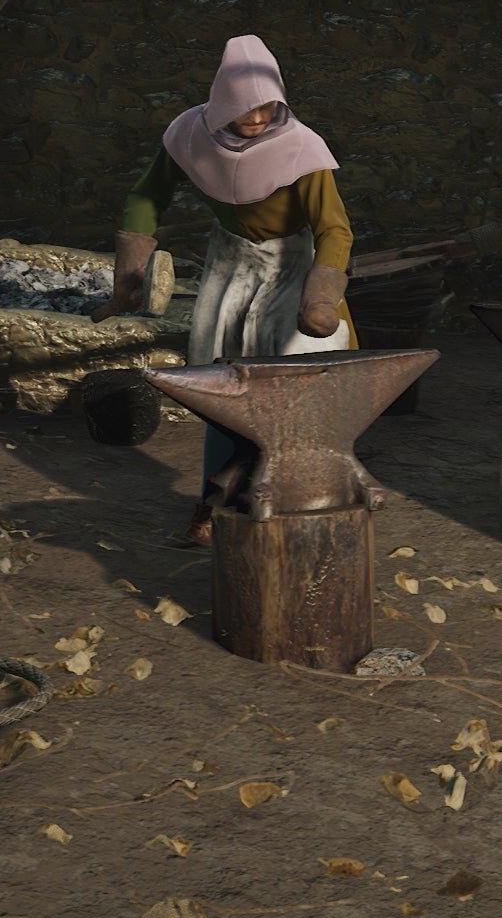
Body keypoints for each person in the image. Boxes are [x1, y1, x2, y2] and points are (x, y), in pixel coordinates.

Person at [108, 34, 357, 544]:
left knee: (295, 388)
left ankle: (290, 506)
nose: (260, 119)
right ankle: (213, 505)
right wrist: (130, 273)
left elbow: (335, 229)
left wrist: (319, 298)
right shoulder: (190, 136)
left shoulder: (302, 150)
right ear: (223, 103)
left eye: (268, 107)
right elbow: (147, 196)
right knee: (224, 387)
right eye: (248, 108)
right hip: (230, 266)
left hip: (291, 270)